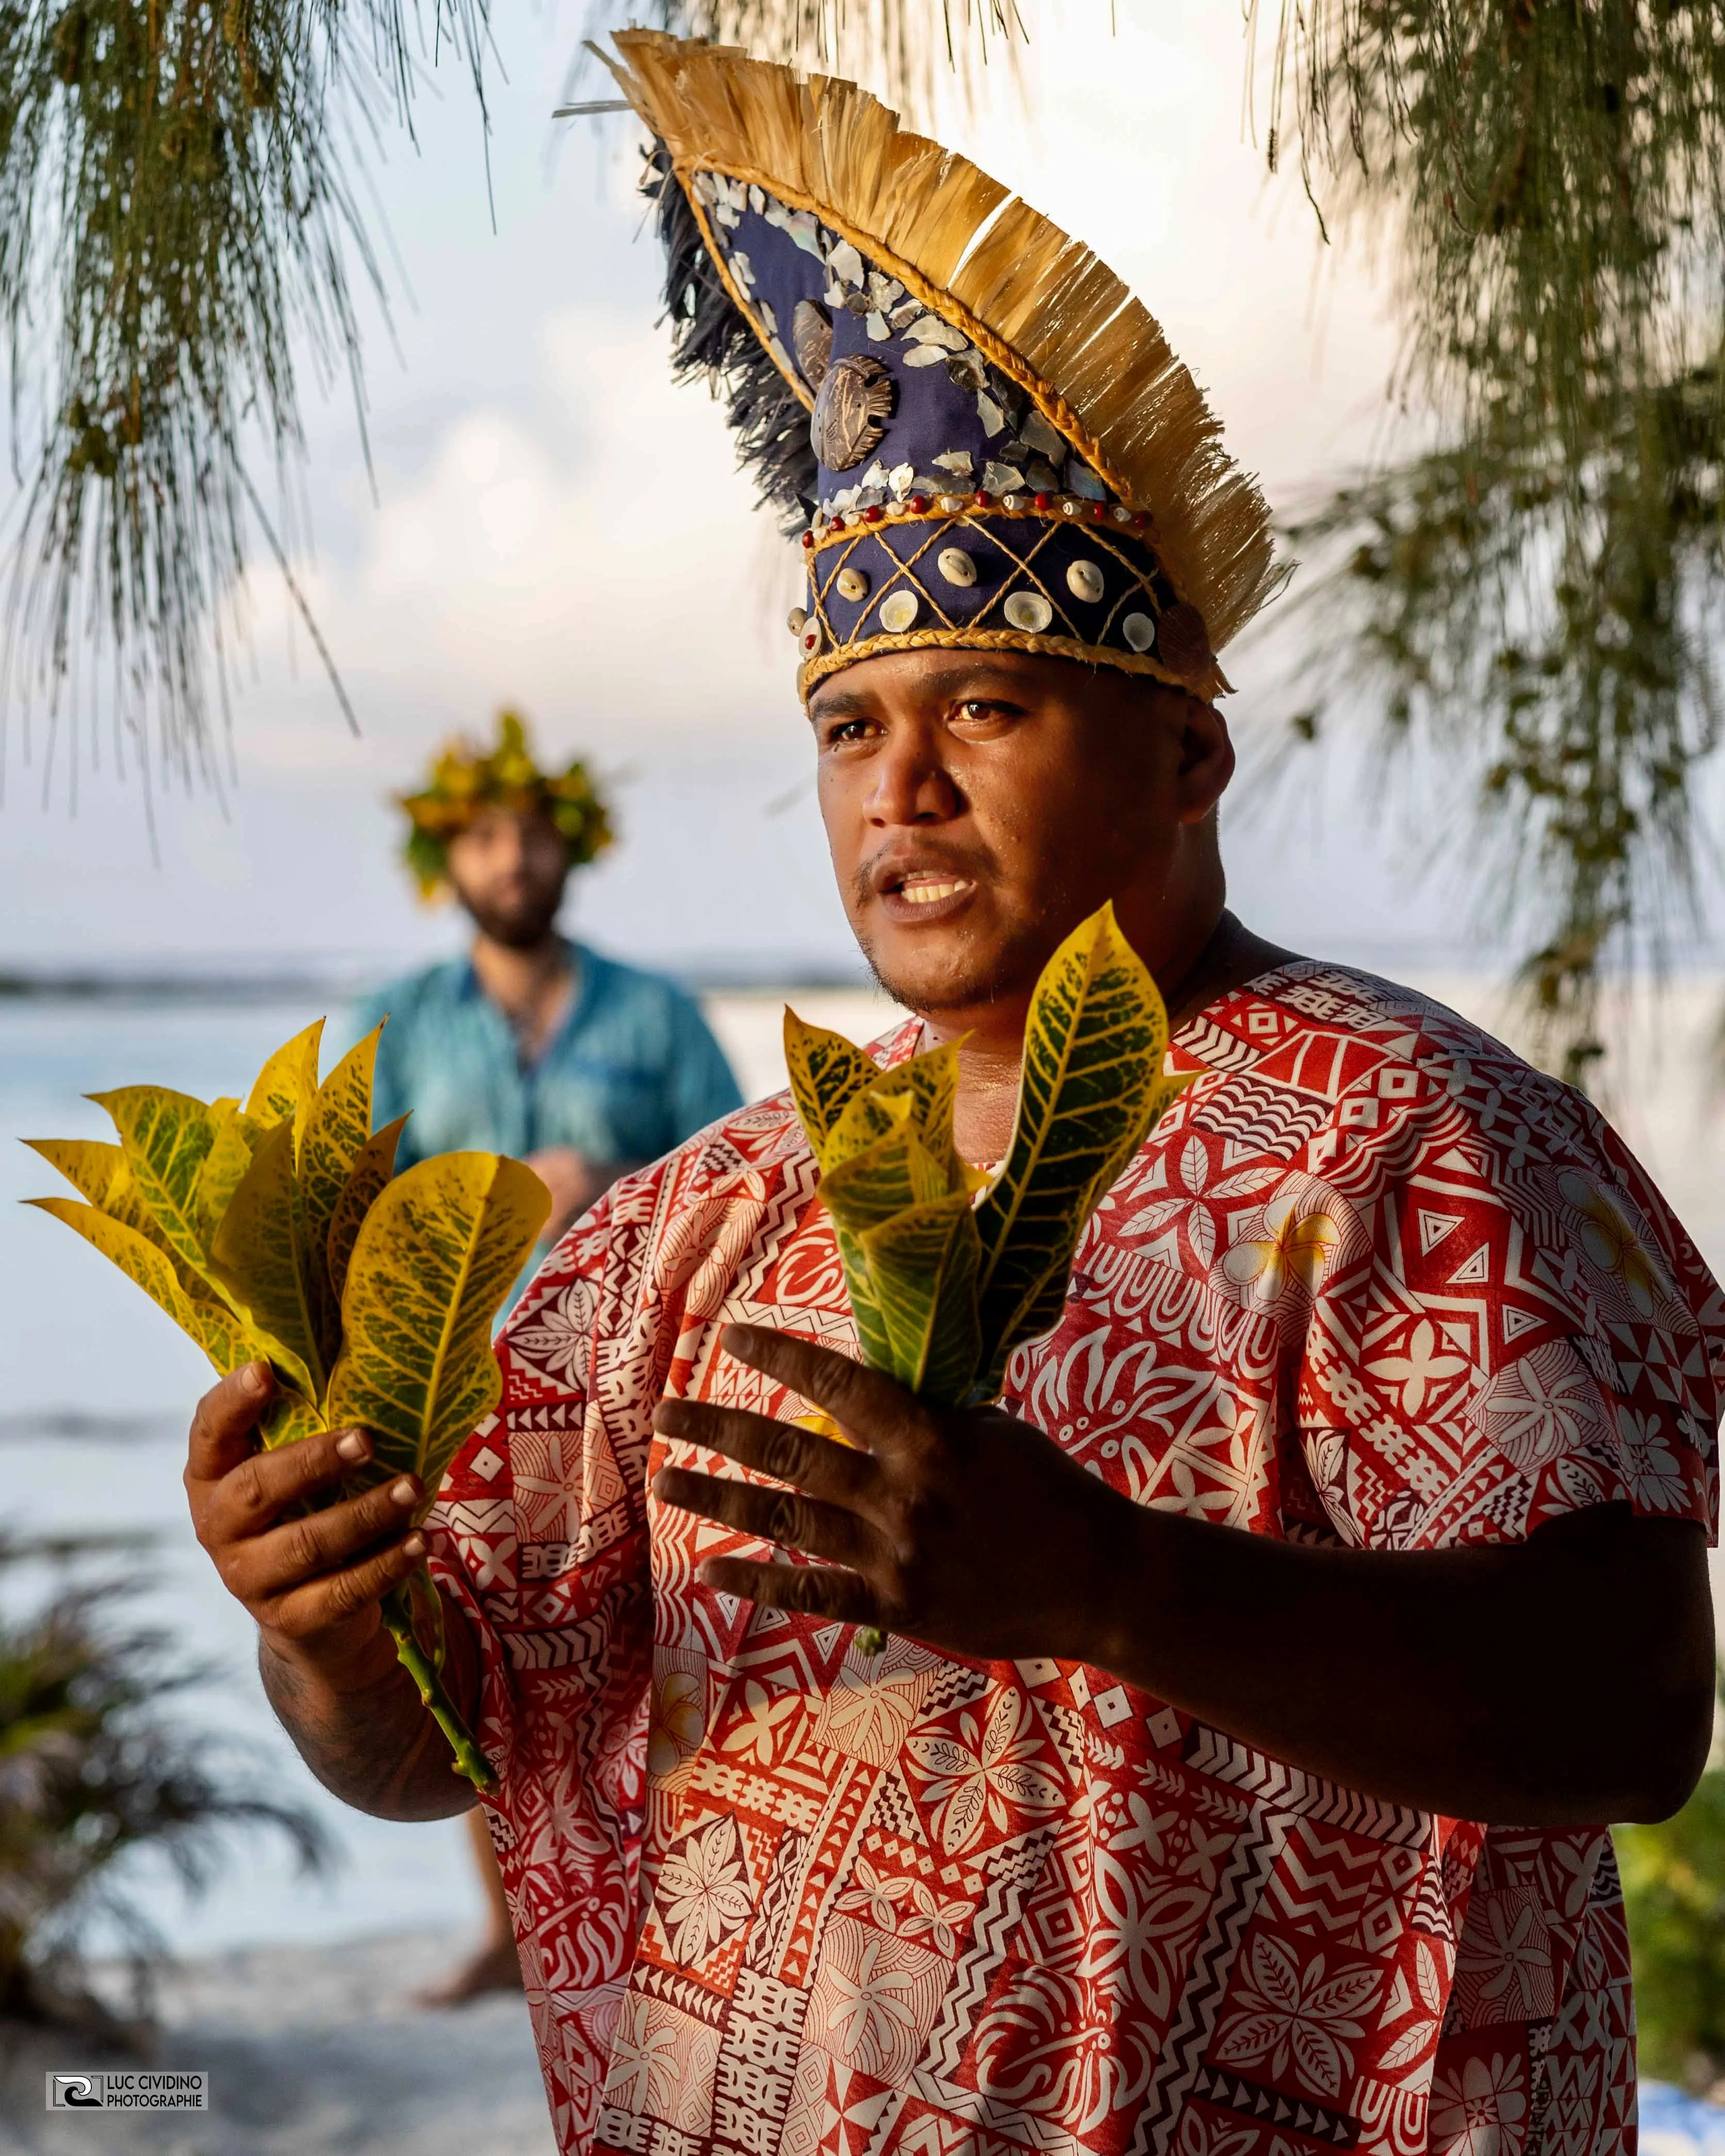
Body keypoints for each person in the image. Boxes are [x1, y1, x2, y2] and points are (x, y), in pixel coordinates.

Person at [184, 36, 1721, 2156]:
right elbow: (442, 1739)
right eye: (844, 723)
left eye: (980, 706)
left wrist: (1110, 1588)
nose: (894, 794)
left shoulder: (1416, 1144)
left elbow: (1626, 1709)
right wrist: (326, 1631)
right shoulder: (698, 1222)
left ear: (1187, 755)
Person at [353, 706, 743, 2001]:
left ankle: (667, 1908)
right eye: (483, 837)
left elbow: (741, 1181)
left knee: (663, 1641)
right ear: (446, 859)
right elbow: (343, 1211)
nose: (510, 858)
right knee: (483, 1648)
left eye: (530, 834)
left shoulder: (657, 1012)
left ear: (570, 850)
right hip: (463, 1383)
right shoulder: (395, 1022)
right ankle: (511, 1928)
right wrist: (500, 1185)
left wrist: (610, 1183)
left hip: (648, 1380)